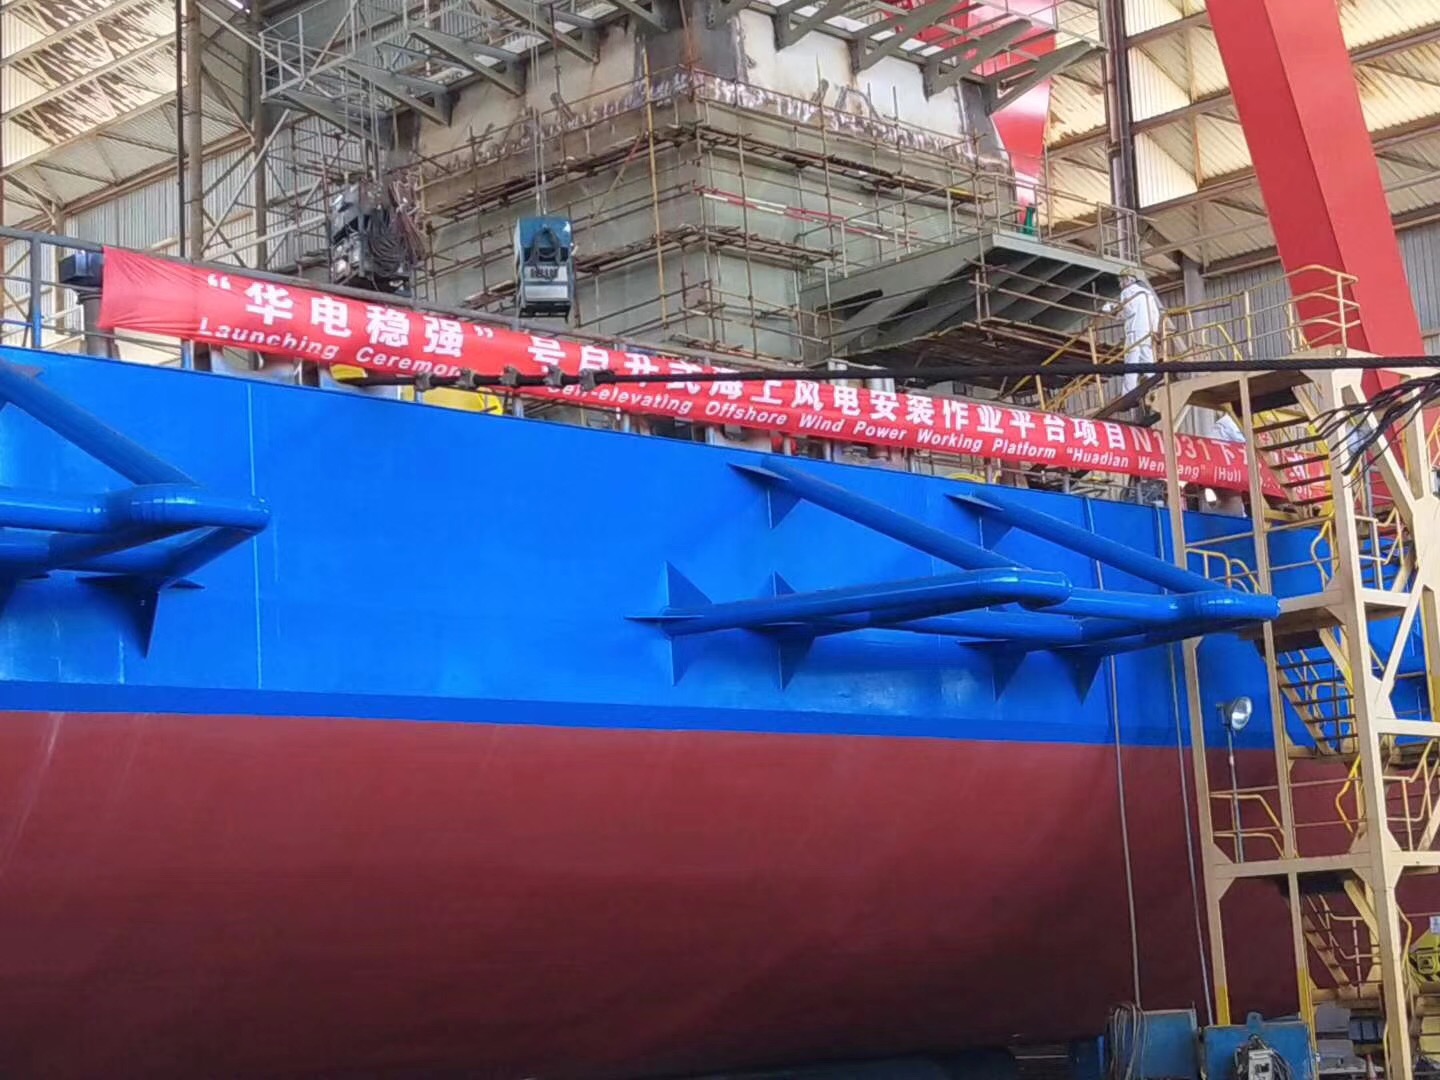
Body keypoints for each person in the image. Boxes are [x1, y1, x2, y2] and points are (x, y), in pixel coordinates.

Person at [1118, 270, 1162, 396]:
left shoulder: (1127, 292)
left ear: (1128, 279)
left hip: (1134, 331)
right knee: (1147, 359)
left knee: (1131, 362)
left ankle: (1128, 392)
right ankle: (1154, 386)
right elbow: (1155, 314)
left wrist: (1119, 314)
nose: (1120, 283)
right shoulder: (1147, 294)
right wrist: (1153, 330)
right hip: (1147, 332)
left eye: (1121, 280)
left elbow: (1130, 310)